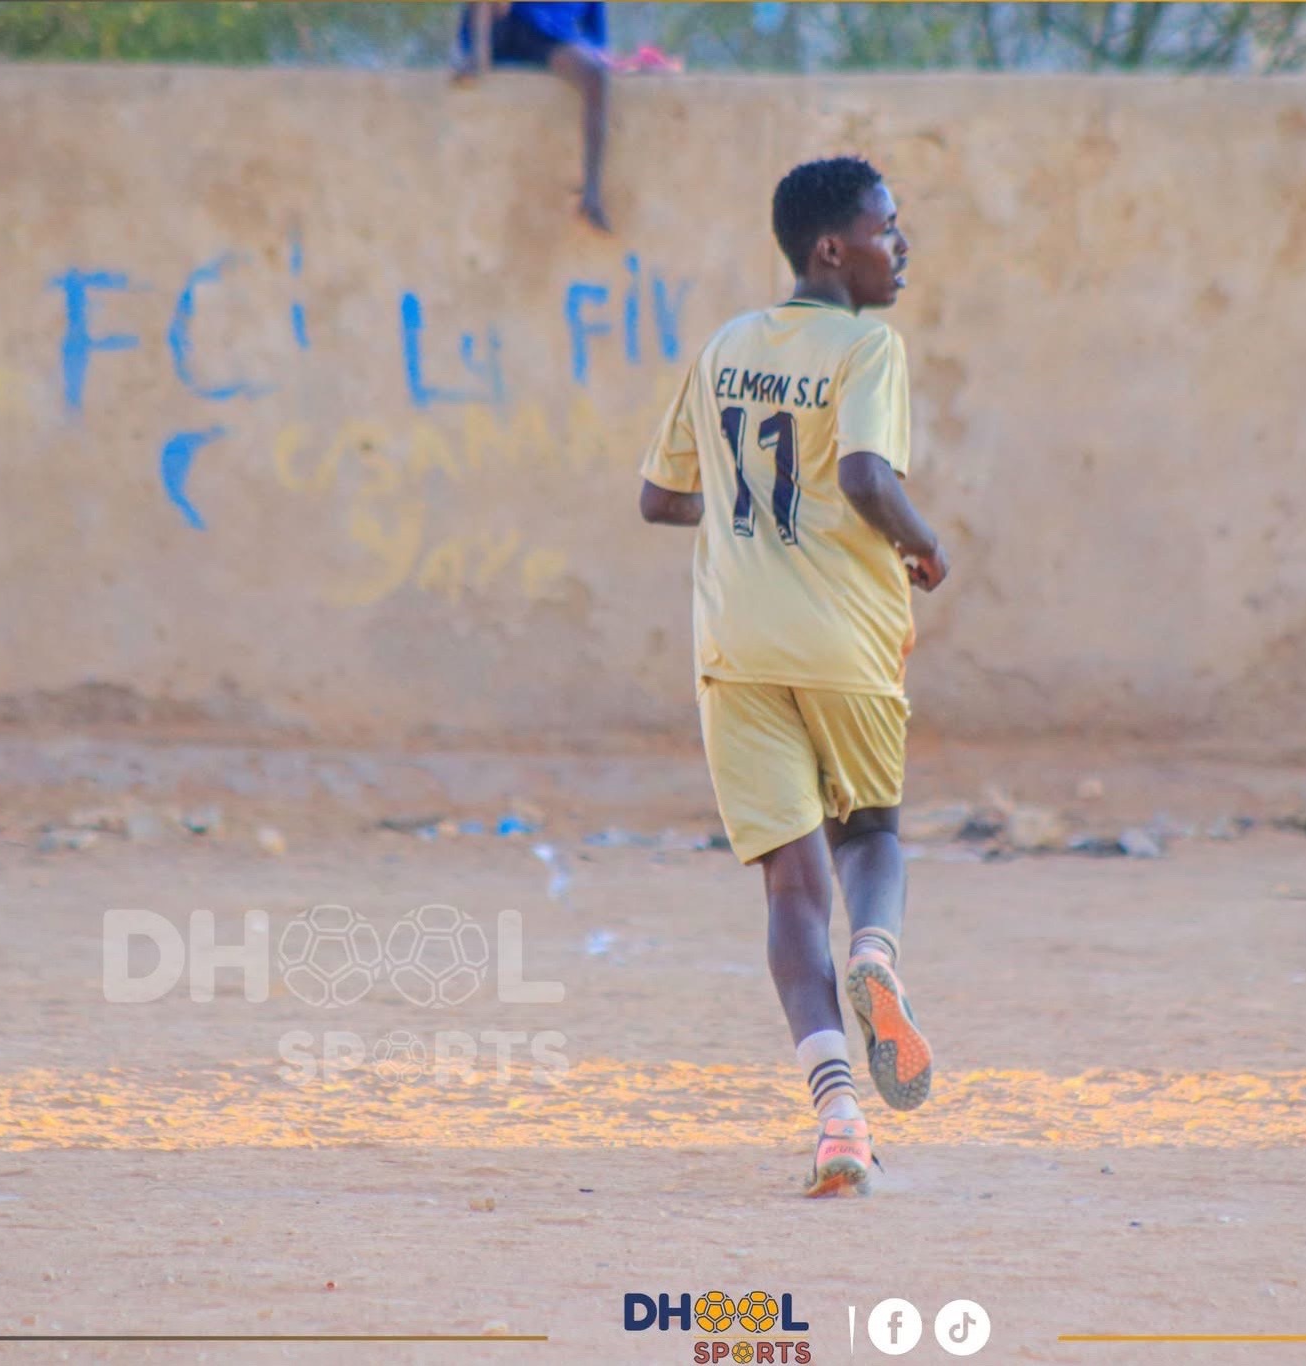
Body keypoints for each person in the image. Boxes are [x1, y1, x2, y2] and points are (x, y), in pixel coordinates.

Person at [637, 157, 948, 1197]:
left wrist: (749, 506)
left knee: (789, 886)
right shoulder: (867, 347)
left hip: (737, 648)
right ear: (830, 249)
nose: (899, 246)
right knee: (871, 834)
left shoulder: (725, 345)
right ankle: (876, 955)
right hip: (844, 641)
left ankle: (838, 1120)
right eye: (885, 228)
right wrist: (923, 543)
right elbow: (863, 475)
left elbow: (660, 498)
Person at [451, 3, 612, 231]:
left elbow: (597, 40)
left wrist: (592, 55)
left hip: (548, 40)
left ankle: (591, 192)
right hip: (506, 25)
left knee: (596, 77)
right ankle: (478, 57)